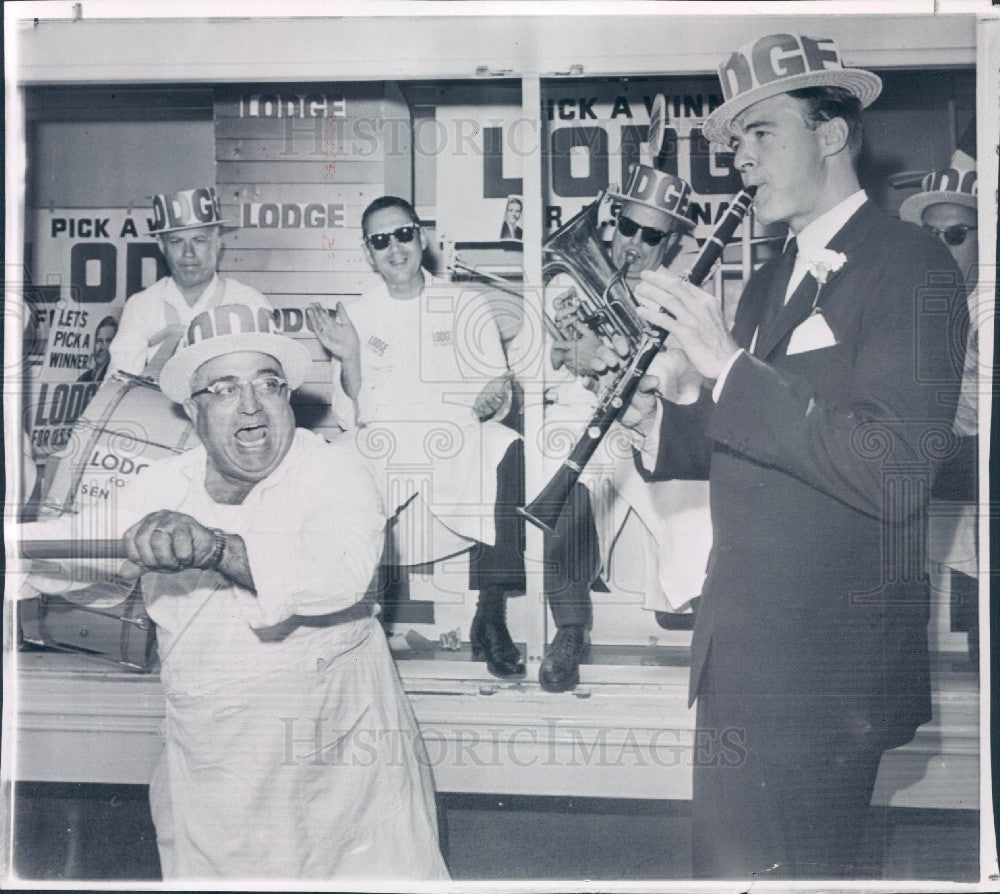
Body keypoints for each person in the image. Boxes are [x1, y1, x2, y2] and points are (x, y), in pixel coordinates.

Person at [625, 33, 967, 878]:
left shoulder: (914, 263)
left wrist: (729, 367)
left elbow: (893, 468)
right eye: (734, 142)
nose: (739, 160)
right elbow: (752, 443)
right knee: (730, 870)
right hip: (743, 648)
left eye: (759, 133)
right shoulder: (774, 277)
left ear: (831, 133)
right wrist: (669, 408)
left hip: (827, 671)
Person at [21, 304, 449, 881]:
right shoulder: (162, 483)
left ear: (287, 399)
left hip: (337, 766)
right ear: (194, 414)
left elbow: (341, 572)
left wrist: (217, 547)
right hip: (215, 765)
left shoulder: (336, 473)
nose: (250, 404)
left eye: (267, 385)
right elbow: (72, 545)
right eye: (223, 390)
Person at [306, 196, 525, 678]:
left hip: (456, 432)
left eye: (403, 234)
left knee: (507, 446)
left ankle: (491, 614)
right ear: (368, 253)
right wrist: (351, 357)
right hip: (383, 436)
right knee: (338, 467)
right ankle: (366, 623)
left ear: (421, 237)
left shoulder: (465, 304)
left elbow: (497, 389)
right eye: (380, 241)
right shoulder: (356, 315)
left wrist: (493, 397)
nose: (395, 248)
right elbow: (350, 414)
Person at [537, 164, 709, 692]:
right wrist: (572, 354)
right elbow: (541, 365)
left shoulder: (681, 298)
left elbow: (689, 380)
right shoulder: (567, 281)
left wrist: (623, 363)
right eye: (626, 227)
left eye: (652, 235)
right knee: (560, 469)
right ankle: (568, 628)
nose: (634, 242)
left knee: (693, 497)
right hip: (575, 413)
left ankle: (698, 608)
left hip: (642, 420)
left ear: (671, 243)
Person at [899, 141, 980, 660]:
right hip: (918, 491)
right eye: (930, 237)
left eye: (955, 236)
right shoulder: (907, 305)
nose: (941, 248)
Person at [109, 186, 272, 380]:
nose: (188, 253)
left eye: (199, 240)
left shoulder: (249, 302)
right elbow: (118, 385)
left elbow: (269, 381)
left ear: (218, 242)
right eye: (177, 242)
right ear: (161, 245)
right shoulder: (141, 305)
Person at [76, 315, 118, 383]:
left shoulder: (114, 377)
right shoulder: (84, 377)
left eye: (108, 341)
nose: (102, 347)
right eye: (99, 341)